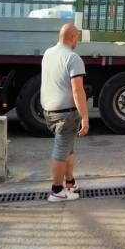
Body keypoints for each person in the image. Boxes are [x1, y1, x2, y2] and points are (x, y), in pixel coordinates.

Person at [41, 23, 89, 202]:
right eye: (77, 38)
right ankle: (56, 191)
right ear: (73, 37)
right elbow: (77, 90)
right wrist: (85, 117)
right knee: (61, 151)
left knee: (68, 149)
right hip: (65, 114)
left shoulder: (48, 53)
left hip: (49, 111)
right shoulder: (73, 57)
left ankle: (70, 183)